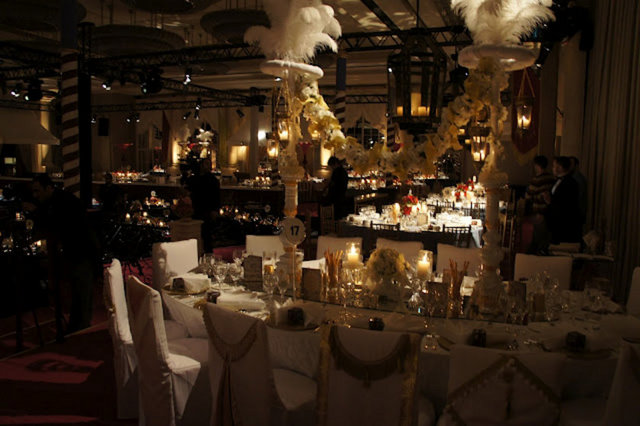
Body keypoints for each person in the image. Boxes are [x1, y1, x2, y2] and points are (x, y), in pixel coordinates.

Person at [27, 174, 100, 334]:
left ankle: (81, 327)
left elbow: (63, 227)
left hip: (81, 249)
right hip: (74, 250)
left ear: (48, 187)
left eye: (38, 191)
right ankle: (77, 324)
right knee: (76, 289)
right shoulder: (52, 202)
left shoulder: (64, 201)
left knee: (82, 288)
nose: (35, 195)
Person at [544, 157, 582, 244]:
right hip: (554, 221)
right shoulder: (557, 180)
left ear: (560, 167)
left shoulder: (570, 183)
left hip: (564, 223)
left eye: (554, 166)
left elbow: (566, 204)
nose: (552, 168)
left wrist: (550, 201)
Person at [186, 158, 220, 252]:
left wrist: (215, 210)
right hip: (195, 209)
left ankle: (208, 254)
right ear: (201, 165)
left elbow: (216, 196)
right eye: (206, 164)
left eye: (209, 164)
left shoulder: (213, 180)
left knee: (206, 234)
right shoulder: (194, 178)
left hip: (207, 210)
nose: (208, 166)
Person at [525, 155, 555, 254]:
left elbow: (528, 196)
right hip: (549, 211)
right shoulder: (552, 178)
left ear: (537, 165)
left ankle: (536, 255)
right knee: (545, 237)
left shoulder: (536, 180)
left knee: (538, 237)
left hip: (539, 211)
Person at [569, 156, 588, 227]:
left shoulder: (579, 179)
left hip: (577, 213)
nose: (569, 166)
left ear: (576, 165)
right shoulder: (572, 178)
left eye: (571, 164)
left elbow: (578, 197)